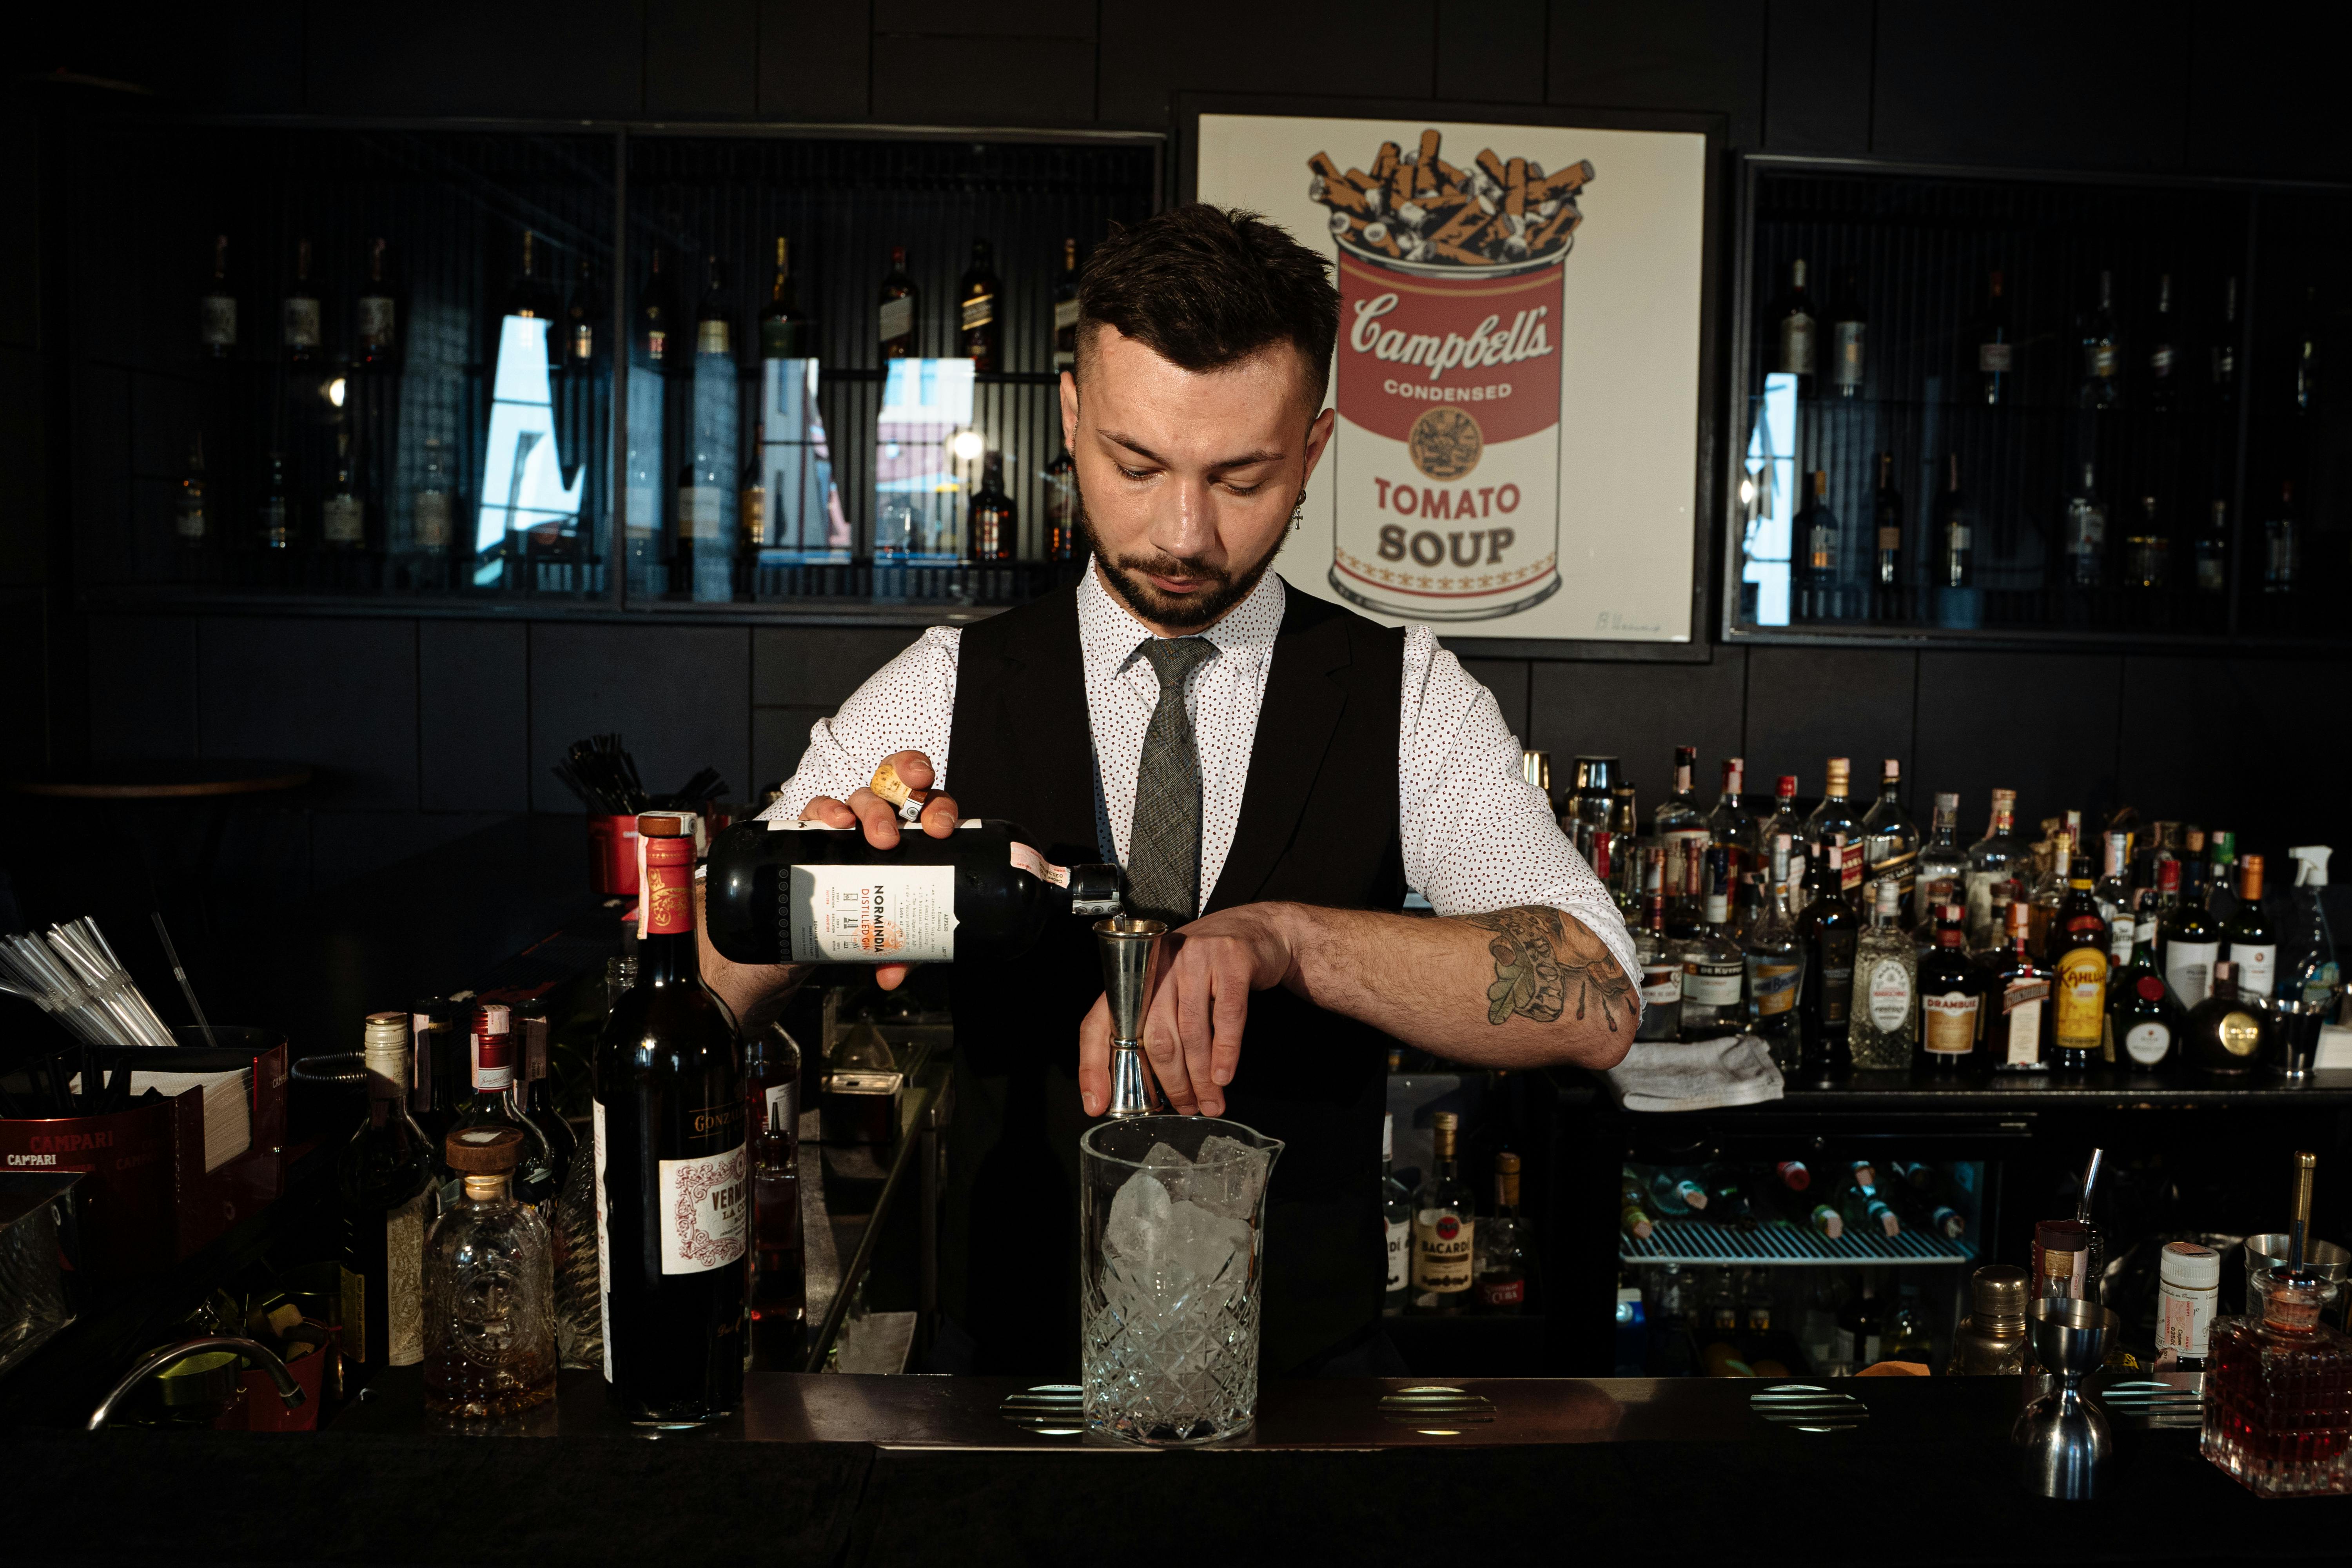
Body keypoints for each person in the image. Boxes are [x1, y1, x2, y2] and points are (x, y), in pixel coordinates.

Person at [700, 203, 1637, 1376]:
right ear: (1071, 416)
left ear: (1314, 448)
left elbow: (1597, 994)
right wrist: (822, 894)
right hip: (1006, 1388)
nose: (1184, 534)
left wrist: (1288, 940)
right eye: (1137, 465)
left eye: (1241, 477)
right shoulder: (946, 686)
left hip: (1302, 1390)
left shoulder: (1405, 697)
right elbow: (710, 978)